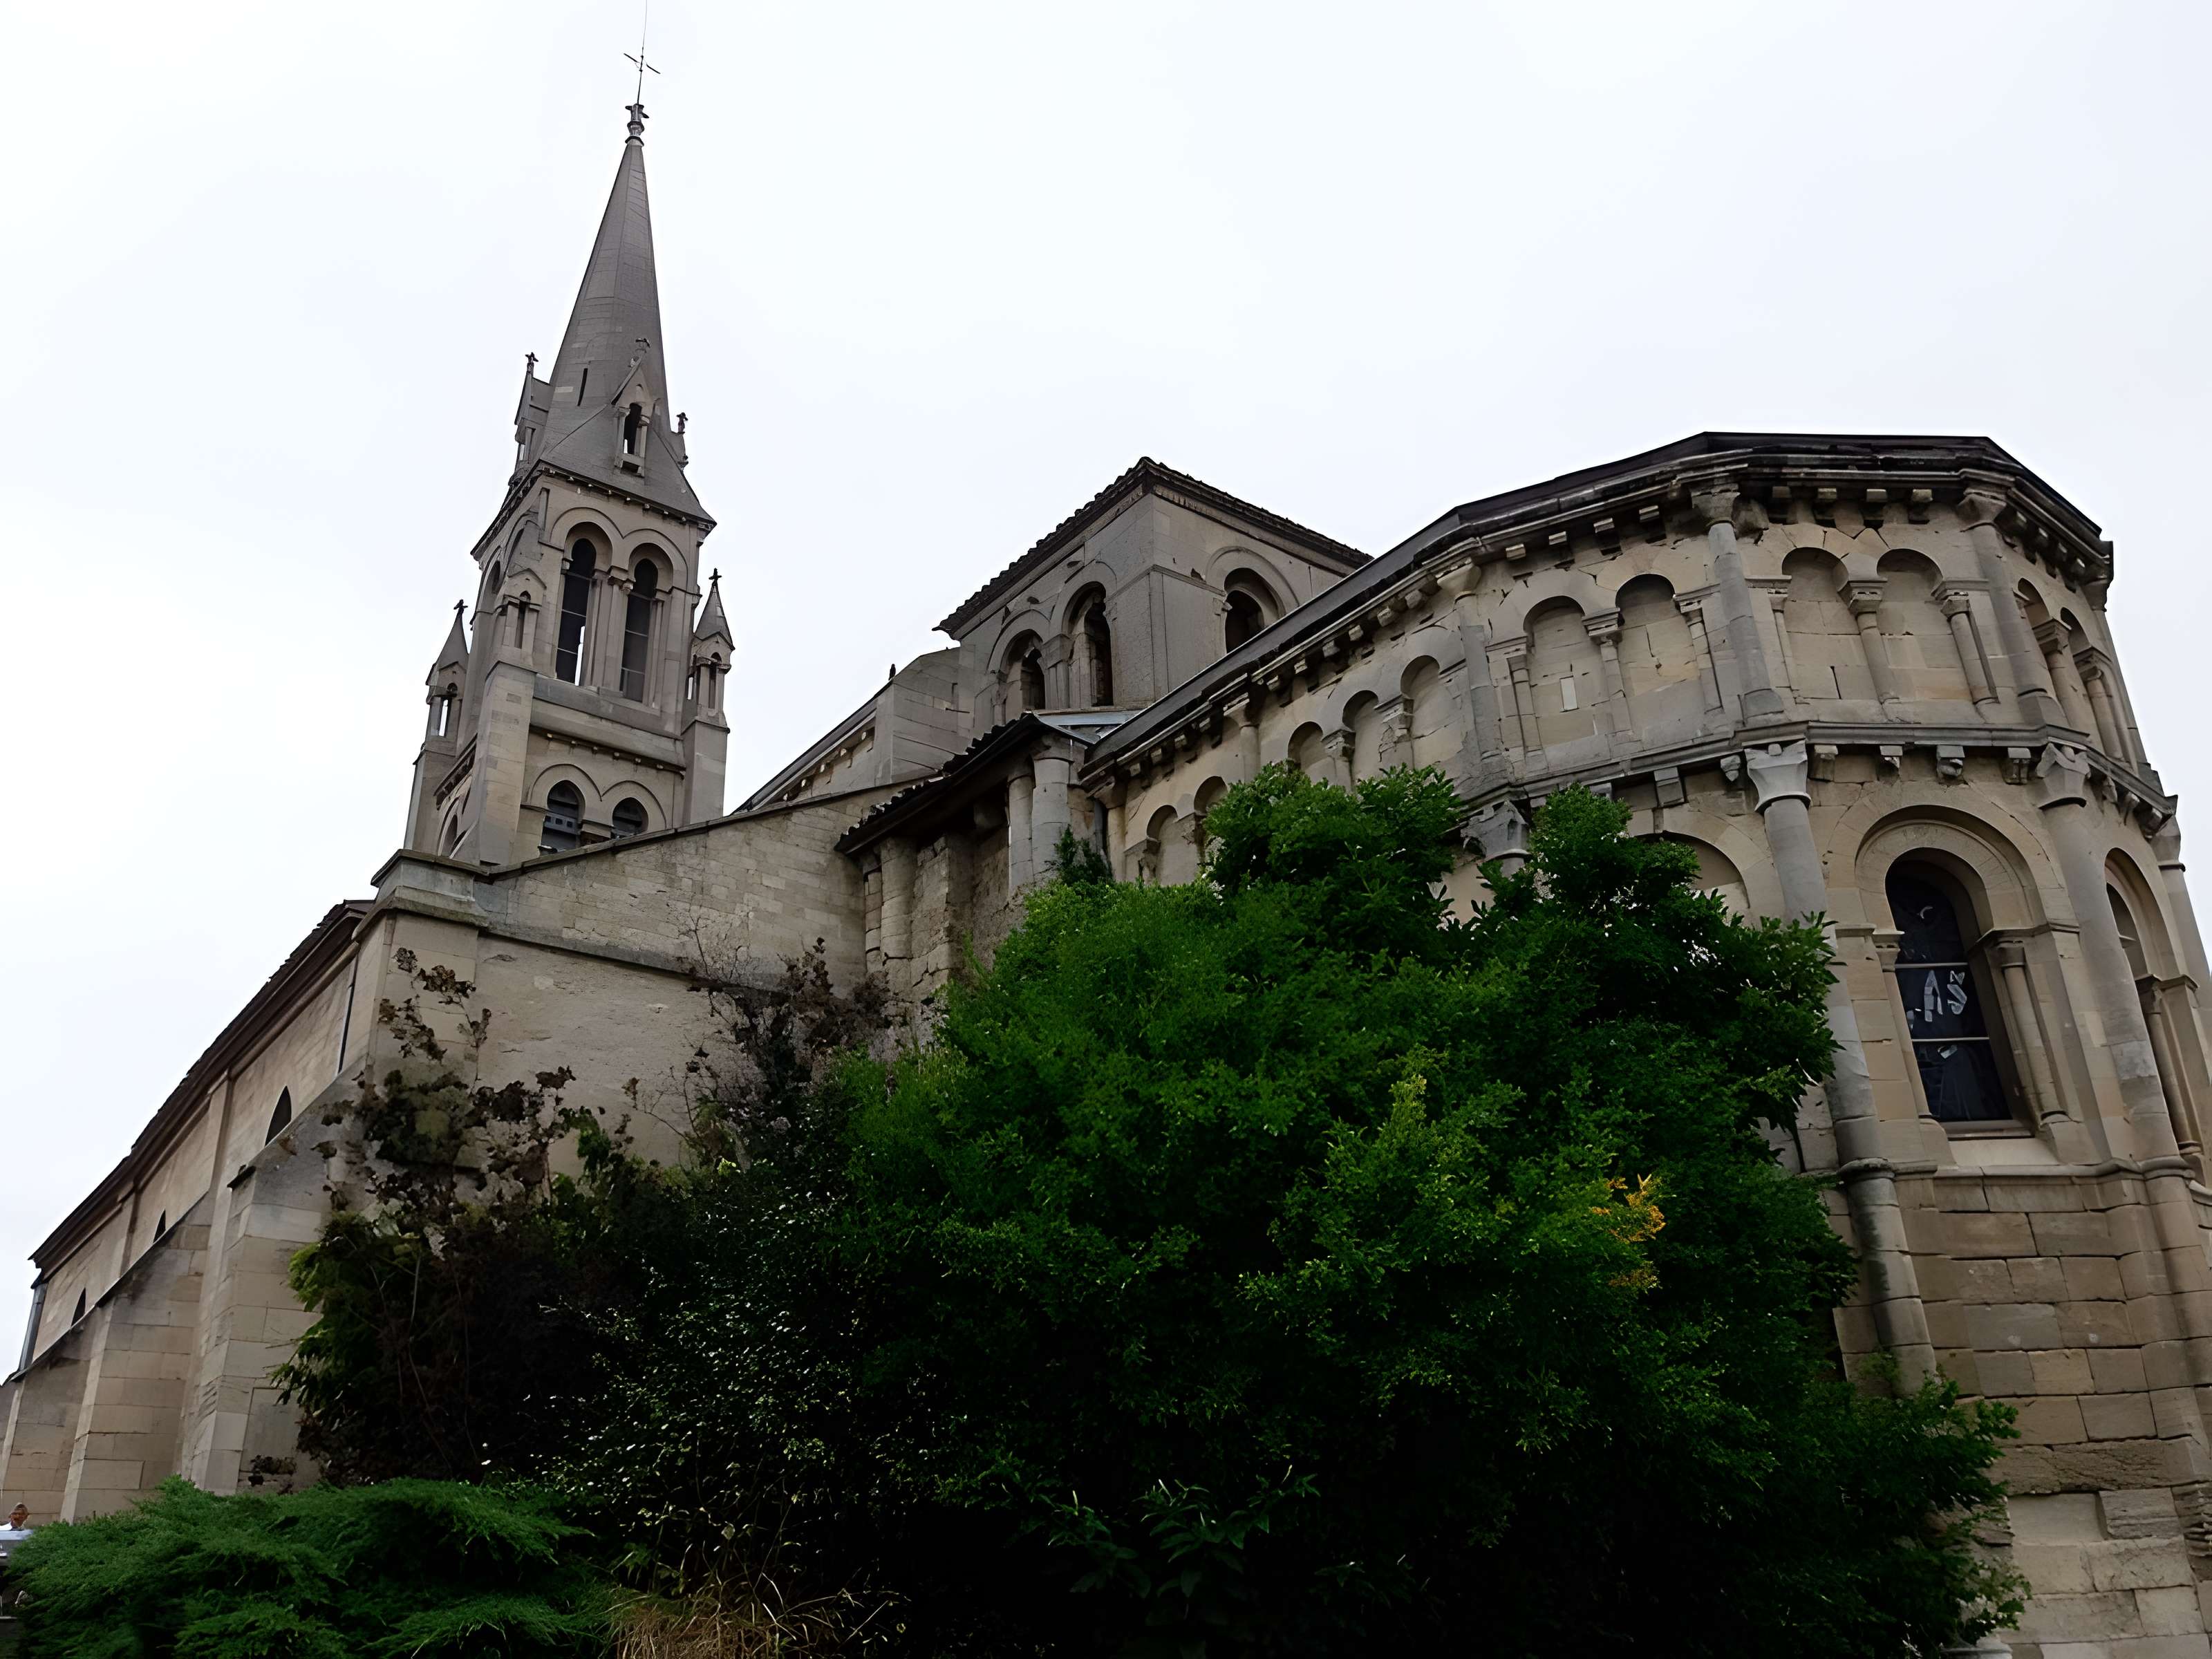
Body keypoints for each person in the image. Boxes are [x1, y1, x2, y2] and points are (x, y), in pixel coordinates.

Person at [0, 1502, 31, 1613]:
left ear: (26, 1517)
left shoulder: (28, 1534)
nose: (18, 1517)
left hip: (19, 1567)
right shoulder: (1, 1530)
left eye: (21, 1515)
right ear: (11, 1516)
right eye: (15, 1514)